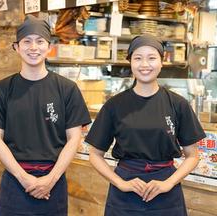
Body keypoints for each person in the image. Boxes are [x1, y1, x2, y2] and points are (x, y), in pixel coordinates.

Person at [0, 15, 91, 216]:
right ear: (16, 47)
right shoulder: (1, 89)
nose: (34, 47)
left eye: (40, 41)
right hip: (15, 182)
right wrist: (24, 178)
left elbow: (74, 138)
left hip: (54, 181)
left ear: (49, 47)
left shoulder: (67, 89)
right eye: (27, 41)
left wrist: (50, 179)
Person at [85, 34, 206, 216]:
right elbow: (94, 155)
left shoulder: (178, 104)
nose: (144, 65)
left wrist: (168, 183)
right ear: (130, 62)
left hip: (166, 190)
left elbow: (192, 156)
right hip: (125, 190)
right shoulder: (114, 105)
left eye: (151, 58)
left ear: (161, 61)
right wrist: (121, 183)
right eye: (138, 58)